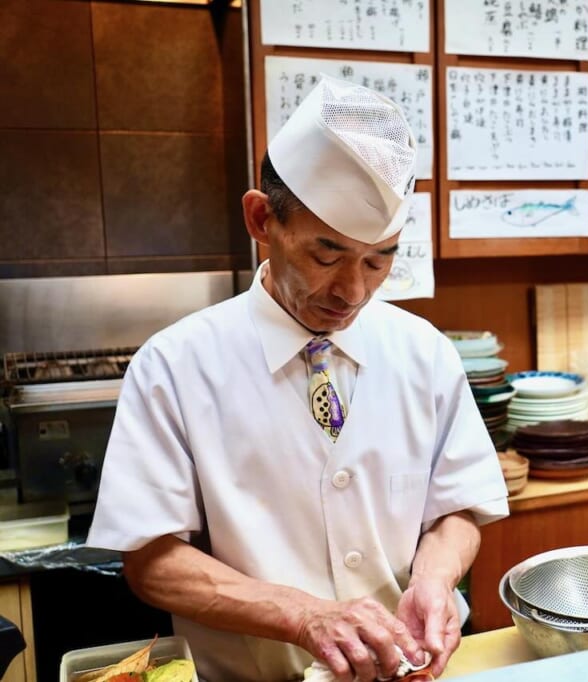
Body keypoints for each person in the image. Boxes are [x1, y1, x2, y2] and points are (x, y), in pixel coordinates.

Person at [87, 75, 510, 682]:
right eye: (327, 254)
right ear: (261, 219)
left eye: (379, 259)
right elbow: (151, 560)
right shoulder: (176, 365)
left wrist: (434, 579)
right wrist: (304, 615)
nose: (353, 292)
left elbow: (460, 508)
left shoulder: (425, 353)